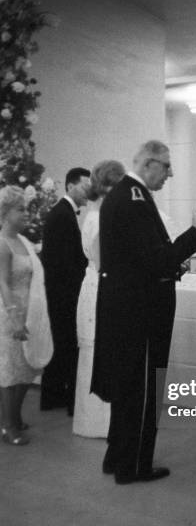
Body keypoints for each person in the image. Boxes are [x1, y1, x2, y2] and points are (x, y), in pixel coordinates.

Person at [91, 140, 196, 484]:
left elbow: (141, 260)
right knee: (141, 390)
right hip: (140, 313)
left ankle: (118, 457)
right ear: (149, 164)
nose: (170, 173)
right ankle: (135, 465)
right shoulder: (134, 199)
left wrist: (169, 268)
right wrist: (195, 229)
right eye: (167, 166)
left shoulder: (125, 195)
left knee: (127, 389)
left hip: (127, 307)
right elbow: (157, 259)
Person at [73, 160, 126, 438]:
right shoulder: (97, 218)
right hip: (99, 286)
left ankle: (102, 420)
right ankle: (97, 422)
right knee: (97, 353)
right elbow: (108, 259)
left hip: (97, 282)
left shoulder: (98, 214)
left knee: (101, 352)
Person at [0, 186, 53, 445]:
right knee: (11, 371)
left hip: (29, 310)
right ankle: (8, 425)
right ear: (5, 213)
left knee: (27, 366)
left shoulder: (23, 241)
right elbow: (3, 285)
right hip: (9, 313)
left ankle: (14, 417)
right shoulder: (2, 243)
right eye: (20, 209)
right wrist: (15, 318)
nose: (26, 214)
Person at [40, 168, 90, 416]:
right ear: (70, 186)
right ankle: (64, 397)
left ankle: (52, 397)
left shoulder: (63, 213)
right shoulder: (63, 215)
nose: (88, 190)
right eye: (84, 185)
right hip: (63, 293)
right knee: (67, 344)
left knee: (62, 345)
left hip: (60, 290)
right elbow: (65, 260)